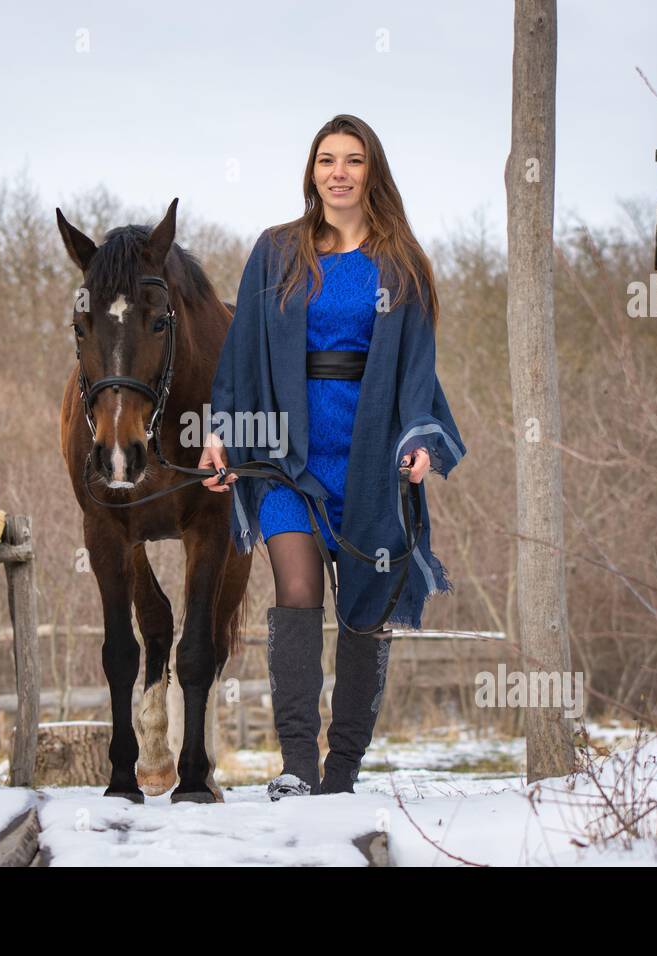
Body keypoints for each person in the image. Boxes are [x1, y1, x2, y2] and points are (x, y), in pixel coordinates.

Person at [199, 114, 466, 800]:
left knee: (363, 614)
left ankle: (341, 770)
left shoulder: (400, 261)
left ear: (371, 171)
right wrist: (221, 430)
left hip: (370, 453)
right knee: (295, 590)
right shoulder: (277, 251)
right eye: (327, 160)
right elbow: (241, 353)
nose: (338, 172)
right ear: (312, 171)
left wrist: (420, 442)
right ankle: (297, 765)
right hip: (287, 451)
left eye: (352, 160)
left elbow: (416, 369)